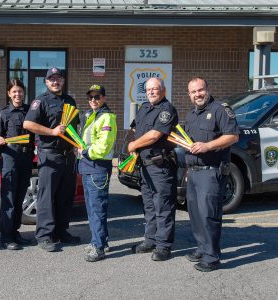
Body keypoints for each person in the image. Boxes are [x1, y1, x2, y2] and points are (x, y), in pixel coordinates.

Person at [184, 77, 239, 272]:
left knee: (209, 215)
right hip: (194, 172)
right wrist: (188, 170)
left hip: (212, 172)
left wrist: (208, 146)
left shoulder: (220, 109)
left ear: (208, 89)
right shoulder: (191, 115)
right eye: (193, 92)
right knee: (196, 215)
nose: (197, 94)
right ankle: (202, 248)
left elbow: (233, 135)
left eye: (200, 90)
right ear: (189, 95)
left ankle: (212, 257)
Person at [23, 67, 80, 252]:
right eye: (51, 79)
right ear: (46, 82)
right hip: (49, 154)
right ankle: (44, 236)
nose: (55, 82)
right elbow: (28, 124)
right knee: (46, 197)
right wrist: (52, 132)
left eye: (58, 78)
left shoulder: (70, 101)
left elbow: (74, 127)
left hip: (68, 156)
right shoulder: (40, 101)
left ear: (62, 81)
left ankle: (62, 232)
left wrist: (76, 145)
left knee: (65, 196)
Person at [128, 77, 178, 261]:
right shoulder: (144, 108)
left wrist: (133, 146)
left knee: (163, 206)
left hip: (160, 166)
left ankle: (164, 246)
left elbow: (155, 135)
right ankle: (150, 240)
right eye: (148, 89)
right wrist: (131, 148)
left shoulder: (167, 109)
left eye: (155, 89)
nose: (151, 92)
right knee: (149, 205)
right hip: (144, 165)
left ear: (163, 90)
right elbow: (134, 129)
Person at [78, 84, 117, 262]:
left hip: (97, 167)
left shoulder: (106, 117)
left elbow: (103, 146)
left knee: (97, 209)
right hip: (88, 167)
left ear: (104, 98)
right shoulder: (92, 115)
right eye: (90, 97)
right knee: (93, 208)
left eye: (97, 97)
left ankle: (98, 246)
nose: (93, 100)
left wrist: (85, 152)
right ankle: (101, 241)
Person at [0, 79, 34, 250]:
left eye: (20, 91)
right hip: (10, 158)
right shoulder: (3, 114)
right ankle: (6, 237)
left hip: (26, 159)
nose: (18, 94)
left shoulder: (30, 111)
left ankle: (15, 232)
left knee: (20, 198)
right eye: (14, 92)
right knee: (9, 199)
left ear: (24, 93)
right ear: (9, 94)